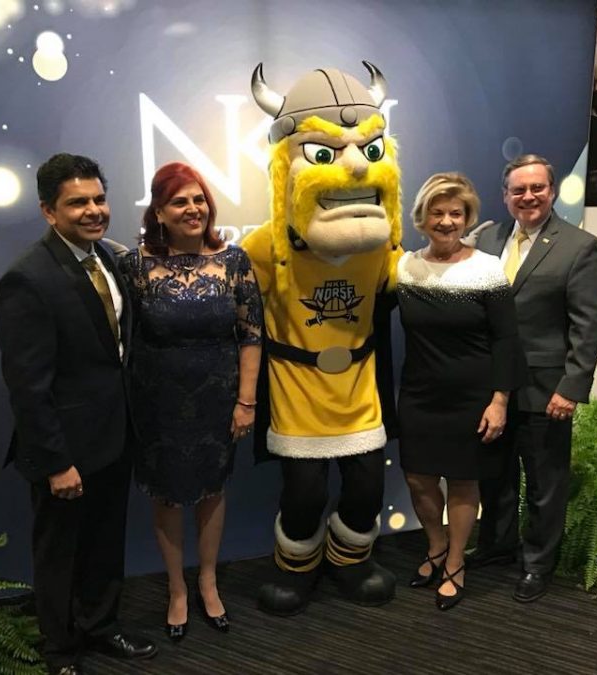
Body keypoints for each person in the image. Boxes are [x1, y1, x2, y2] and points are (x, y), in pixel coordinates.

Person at [242, 62, 403, 615]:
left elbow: (415, 278)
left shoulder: (381, 246)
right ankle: (297, 567)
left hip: (359, 391)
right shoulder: (266, 246)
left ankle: (350, 560)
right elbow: (235, 310)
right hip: (296, 391)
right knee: (304, 493)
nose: (354, 170)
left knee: (366, 489)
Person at [0, 153, 157, 675]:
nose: (93, 210)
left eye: (98, 199)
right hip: (65, 450)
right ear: (48, 211)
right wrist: (55, 462)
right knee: (60, 553)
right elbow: (28, 385)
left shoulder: (106, 258)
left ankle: (102, 627)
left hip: (113, 438)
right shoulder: (28, 279)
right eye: (77, 203)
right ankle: (60, 651)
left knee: (106, 543)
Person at [119, 162, 263, 641]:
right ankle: (177, 590)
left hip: (218, 401)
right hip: (156, 403)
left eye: (199, 198)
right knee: (166, 495)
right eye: (180, 201)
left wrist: (246, 402)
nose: (193, 208)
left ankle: (208, 580)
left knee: (211, 491)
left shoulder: (234, 261)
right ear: (159, 211)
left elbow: (250, 335)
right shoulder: (134, 266)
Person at [471, 155, 597, 603]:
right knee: (495, 477)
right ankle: (496, 545)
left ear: (552, 191)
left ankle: (537, 564)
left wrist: (571, 387)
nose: (527, 197)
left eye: (537, 188)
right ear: (505, 195)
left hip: (545, 388)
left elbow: (589, 324)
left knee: (545, 484)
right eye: (518, 190)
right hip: (492, 387)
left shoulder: (580, 246)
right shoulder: (486, 239)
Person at [396, 173, 525, 611]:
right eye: (438, 212)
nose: (447, 221)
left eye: (456, 213)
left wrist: (500, 400)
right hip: (418, 395)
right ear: (423, 218)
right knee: (417, 478)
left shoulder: (487, 269)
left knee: (463, 482)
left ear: (467, 217)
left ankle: (455, 562)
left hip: (472, 398)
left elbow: (507, 340)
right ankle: (434, 545)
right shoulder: (406, 267)